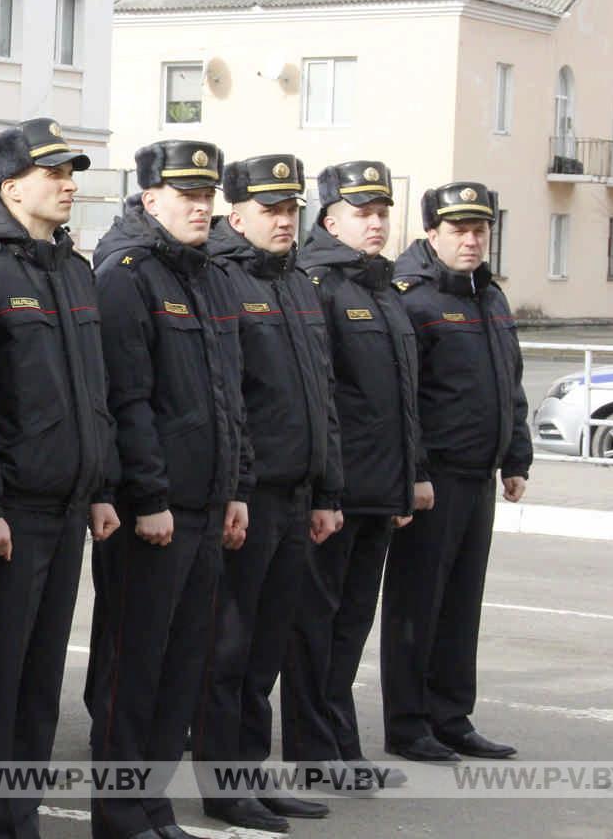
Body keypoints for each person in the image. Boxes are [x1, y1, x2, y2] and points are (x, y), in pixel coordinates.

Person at [0, 120, 120, 837]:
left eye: (71, 171)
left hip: (68, 502)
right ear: (10, 184)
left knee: (38, 683)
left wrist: (102, 486)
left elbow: (93, 393)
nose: (69, 184)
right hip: (10, 510)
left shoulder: (70, 267)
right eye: (54, 173)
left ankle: (19, 817)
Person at [86, 140, 250, 839]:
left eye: (207, 195)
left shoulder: (209, 276)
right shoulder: (127, 276)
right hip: (153, 512)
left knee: (182, 669)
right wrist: (148, 498)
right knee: (134, 671)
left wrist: (234, 486)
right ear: (149, 199)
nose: (200, 206)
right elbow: (129, 400)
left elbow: (227, 396)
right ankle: (121, 814)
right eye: (185, 195)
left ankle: (153, 807)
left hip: (206, 506)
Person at [196, 154, 343, 832]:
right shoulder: (222, 280)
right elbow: (226, 399)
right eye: (270, 210)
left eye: (292, 210)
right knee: (228, 651)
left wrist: (326, 489)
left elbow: (322, 397)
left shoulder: (297, 284)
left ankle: (252, 775)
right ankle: (225, 787)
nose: (286, 221)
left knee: (266, 651)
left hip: (295, 494)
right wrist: (238, 490)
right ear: (236, 215)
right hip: (249, 499)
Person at [282, 161, 421, 790]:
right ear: (330, 219)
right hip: (335, 493)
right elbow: (323, 400)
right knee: (315, 625)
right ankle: (314, 749)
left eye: (383, 213)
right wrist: (327, 489)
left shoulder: (381, 288)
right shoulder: (319, 283)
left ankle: (339, 739)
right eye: (363, 213)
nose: (376, 223)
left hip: (376, 491)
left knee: (349, 624)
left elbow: (400, 399)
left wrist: (406, 480)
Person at [381, 182, 529, 763]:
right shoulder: (413, 300)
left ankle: (450, 714)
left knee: (462, 602)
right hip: (434, 479)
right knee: (418, 602)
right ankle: (408, 722)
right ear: (432, 234)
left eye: (479, 230)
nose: (470, 241)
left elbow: (508, 383)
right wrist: (414, 472)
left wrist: (516, 456)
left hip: (480, 473)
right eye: (459, 231)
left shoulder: (490, 297)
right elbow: (405, 400)